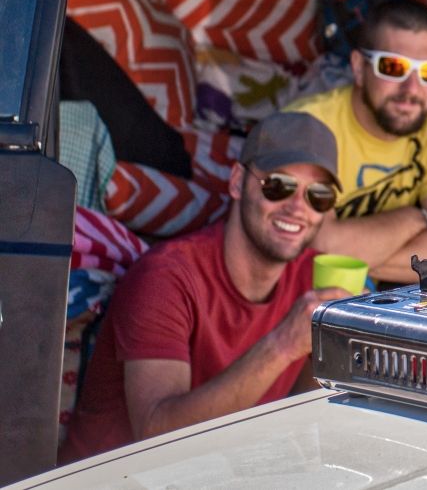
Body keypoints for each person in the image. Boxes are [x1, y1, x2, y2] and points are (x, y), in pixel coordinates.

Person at [60, 112, 350, 462]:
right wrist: (283, 345)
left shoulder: (313, 278)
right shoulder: (166, 277)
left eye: (317, 196)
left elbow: (306, 421)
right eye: (278, 186)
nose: (297, 208)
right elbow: (156, 437)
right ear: (237, 182)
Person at [286, 0, 427, 284]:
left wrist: (345, 250)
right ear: (358, 68)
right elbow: (310, 245)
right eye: (392, 67)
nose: (412, 88)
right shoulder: (309, 126)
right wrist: (417, 218)